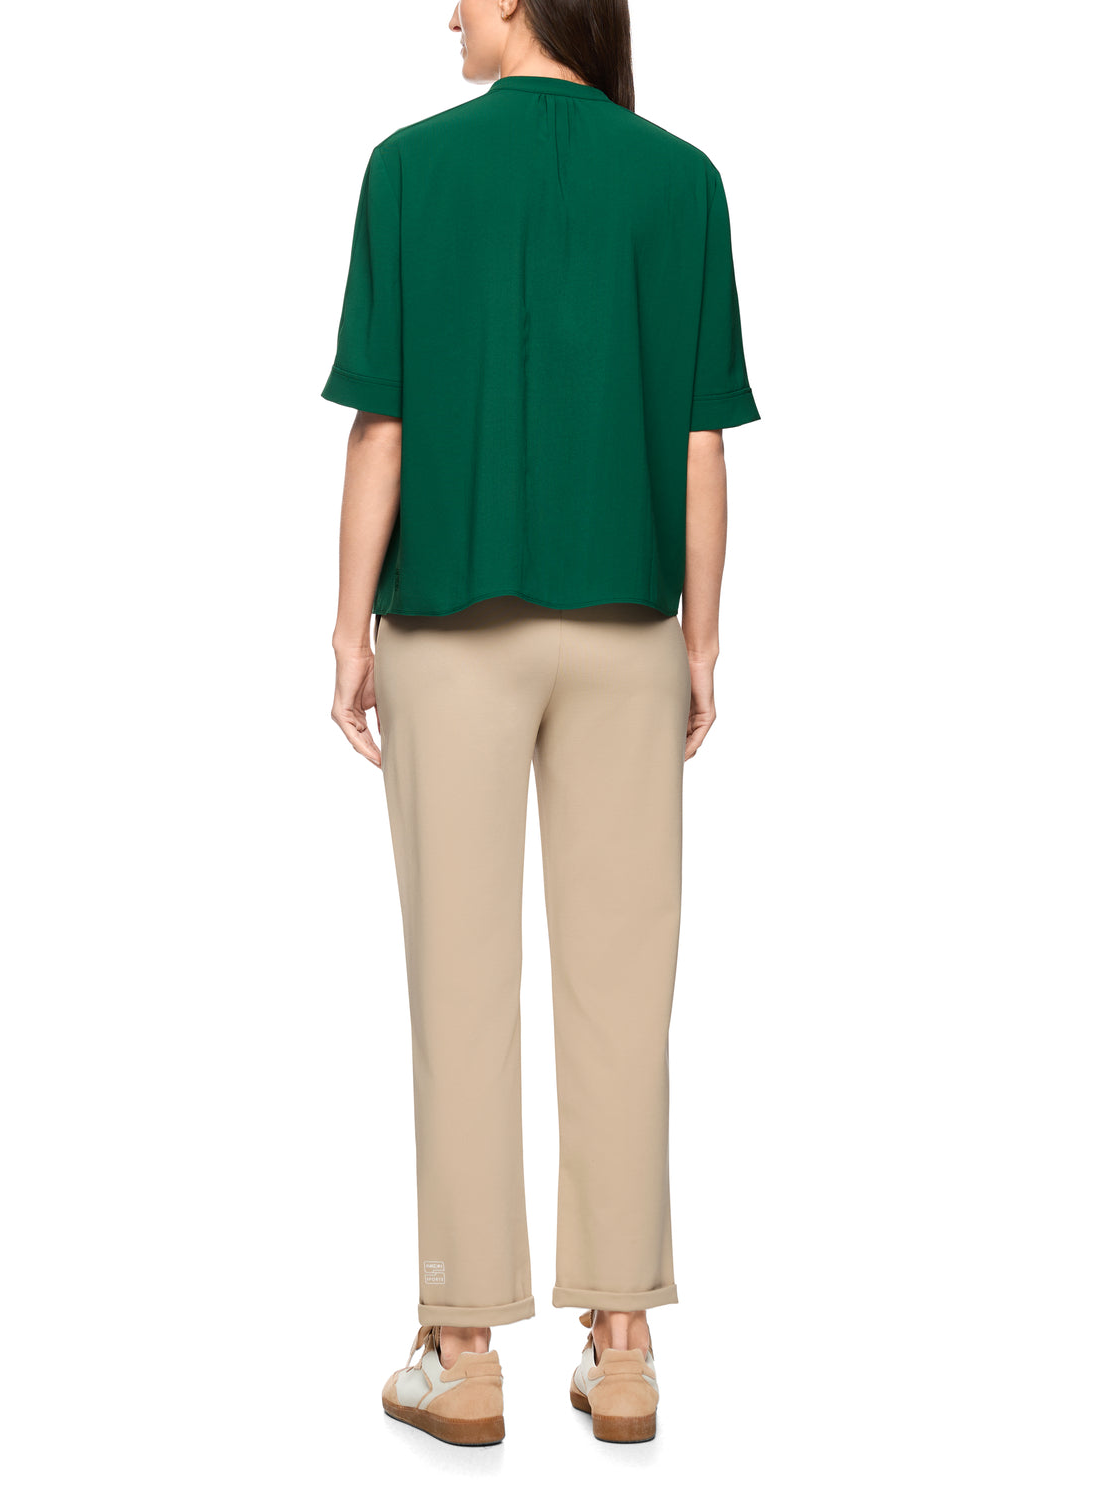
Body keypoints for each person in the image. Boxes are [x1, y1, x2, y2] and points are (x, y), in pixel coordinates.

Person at [322, 0, 760, 1447]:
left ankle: (461, 1346)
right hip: (628, 629)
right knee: (623, 988)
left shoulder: (409, 167)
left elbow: (381, 426)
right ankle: (621, 1346)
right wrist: (701, 641)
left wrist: (346, 628)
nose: (446, 9)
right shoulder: (680, 181)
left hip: (449, 629)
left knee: (459, 983)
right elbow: (698, 440)